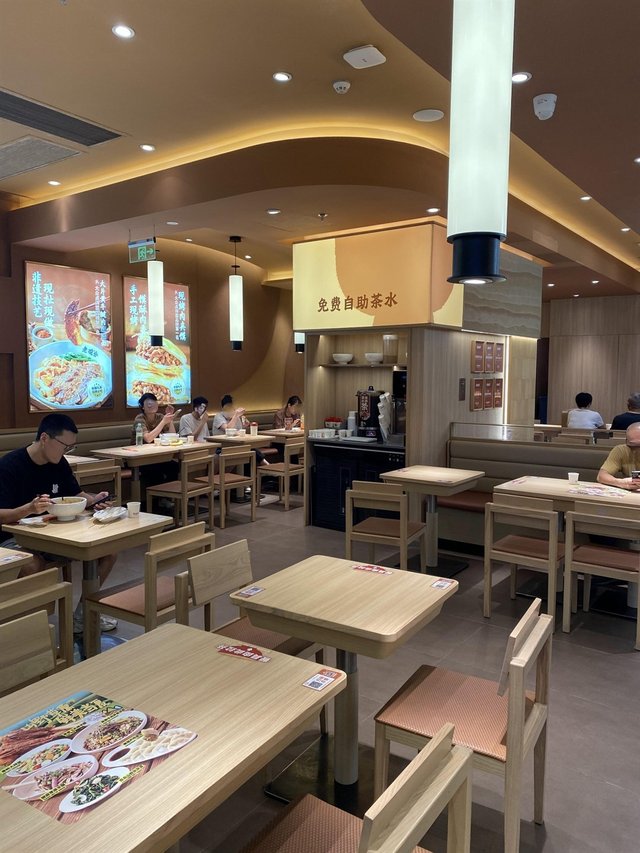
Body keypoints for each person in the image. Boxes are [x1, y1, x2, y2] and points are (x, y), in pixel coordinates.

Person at [0, 413, 117, 632]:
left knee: (107, 552)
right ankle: (35, 632)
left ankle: (83, 617)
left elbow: (77, 495)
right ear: (45, 438)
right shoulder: (10, 465)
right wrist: (28, 508)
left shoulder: (59, 463)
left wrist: (95, 500)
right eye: (65, 446)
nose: (66, 452)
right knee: (33, 565)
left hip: (53, 535)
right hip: (14, 539)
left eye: (71, 447)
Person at [132, 392, 180, 494]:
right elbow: (148, 439)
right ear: (142, 407)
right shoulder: (139, 419)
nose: (151, 405)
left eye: (153, 402)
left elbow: (172, 435)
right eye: (148, 403)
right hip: (139, 458)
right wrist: (163, 422)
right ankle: (157, 500)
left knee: (174, 467)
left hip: (155, 456)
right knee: (155, 471)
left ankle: (169, 496)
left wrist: (170, 418)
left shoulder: (160, 417)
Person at [596, 423, 640, 491]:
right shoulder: (621, 450)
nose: (638, 450)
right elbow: (601, 476)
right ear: (626, 442)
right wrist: (621, 483)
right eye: (633, 446)